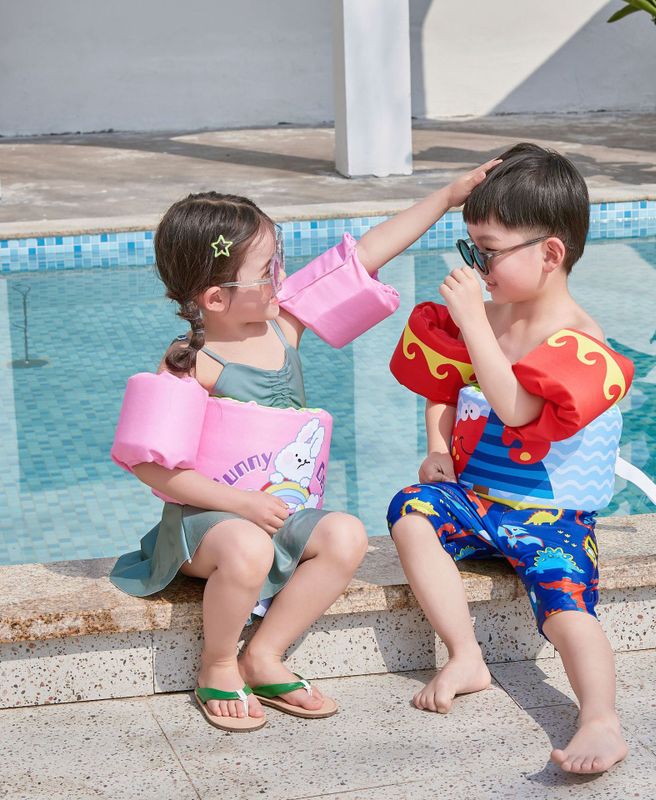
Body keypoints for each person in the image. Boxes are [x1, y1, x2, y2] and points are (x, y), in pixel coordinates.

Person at [109, 160, 498, 732]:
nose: (283, 278)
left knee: (343, 534)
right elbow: (150, 468)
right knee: (247, 548)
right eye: (269, 269)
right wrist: (240, 504)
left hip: (273, 517)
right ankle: (218, 663)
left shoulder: (283, 327)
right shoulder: (193, 362)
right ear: (216, 298)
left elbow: (363, 256)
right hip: (204, 530)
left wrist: (446, 197)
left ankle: (262, 656)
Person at [387, 143, 634, 773]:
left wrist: (472, 320)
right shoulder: (484, 319)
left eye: (487, 251)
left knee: (565, 609)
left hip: (551, 515)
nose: (475, 265)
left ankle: (600, 719)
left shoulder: (578, 339)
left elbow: (519, 408)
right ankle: (465, 653)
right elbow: (446, 392)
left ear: (550, 254)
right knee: (410, 512)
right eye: (469, 247)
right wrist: (439, 449)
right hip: (477, 501)